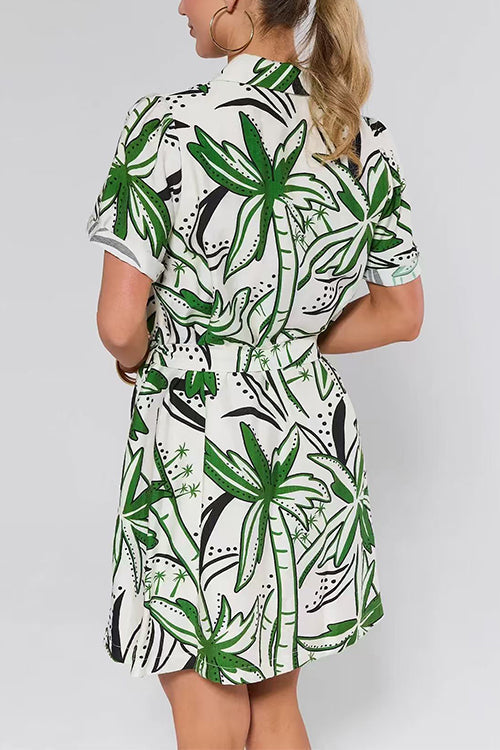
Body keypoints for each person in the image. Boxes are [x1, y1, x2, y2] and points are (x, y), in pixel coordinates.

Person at [86, 0, 424, 746]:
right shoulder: (358, 135)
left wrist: (144, 359)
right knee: (273, 705)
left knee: (207, 705)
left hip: (202, 443)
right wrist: (282, 340)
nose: (180, 5)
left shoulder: (169, 126)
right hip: (311, 445)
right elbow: (402, 313)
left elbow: (118, 323)